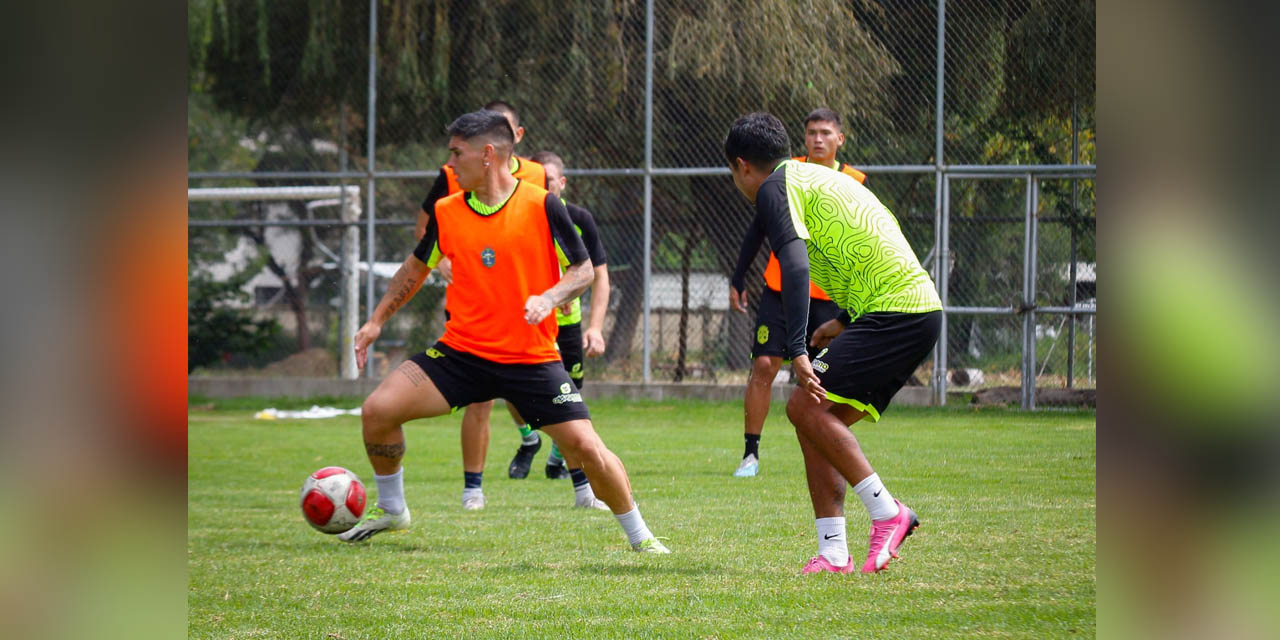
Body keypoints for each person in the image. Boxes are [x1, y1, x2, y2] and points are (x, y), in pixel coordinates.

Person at [340, 110, 668, 554]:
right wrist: (376, 320)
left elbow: (584, 269)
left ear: (488, 154)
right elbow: (416, 268)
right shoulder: (446, 211)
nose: (450, 163)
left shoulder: (543, 204)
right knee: (378, 411)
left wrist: (549, 298)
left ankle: (640, 537)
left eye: (457, 153)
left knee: (588, 448)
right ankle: (393, 509)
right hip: (461, 354)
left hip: (531, 358)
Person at [723, 112, 941, 573]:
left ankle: (888, 513)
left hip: (896, 311)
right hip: (908, 310)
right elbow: (872, 239)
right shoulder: (809, 178)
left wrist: (798, 349)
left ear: (742, 166)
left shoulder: (772, 188)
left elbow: (796, 265)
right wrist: (842, 320)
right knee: (815, 422)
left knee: (802, 407)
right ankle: (833, 552)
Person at [413, 101, 578, 511]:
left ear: (506, 141)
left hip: (531, 321)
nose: (453, 158)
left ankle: (583, 485)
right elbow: (427, 235)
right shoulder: (453, 179)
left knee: (568, 417)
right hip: (474, 315)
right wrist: (443, 260)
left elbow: (580, 259)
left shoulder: (538, 182)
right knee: (478, 401)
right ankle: (473, 488)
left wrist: (551, 295)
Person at [728, 108, 868, 478]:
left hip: (828, 296)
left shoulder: (852, 181)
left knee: (824, 378)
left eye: (825, 132)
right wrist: (739, 276)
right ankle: (750, 454)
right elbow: (762, 232)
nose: (817, 139)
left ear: (840, 139)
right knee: (763, 365)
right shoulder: (781, 175)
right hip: (780, 289)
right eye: (811, 132)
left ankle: (826, 447)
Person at [505, 150, 612, 489]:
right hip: (527, 321)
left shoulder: (579, 218)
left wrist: (594, 327)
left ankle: (558, 458)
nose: (543, 187)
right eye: (536, 181)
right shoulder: (516, 218)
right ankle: (528, 440)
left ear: (561, 183)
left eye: (549, 181)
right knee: (510, 387)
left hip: (567, 326)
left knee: (569, 396)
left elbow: (598, 276)